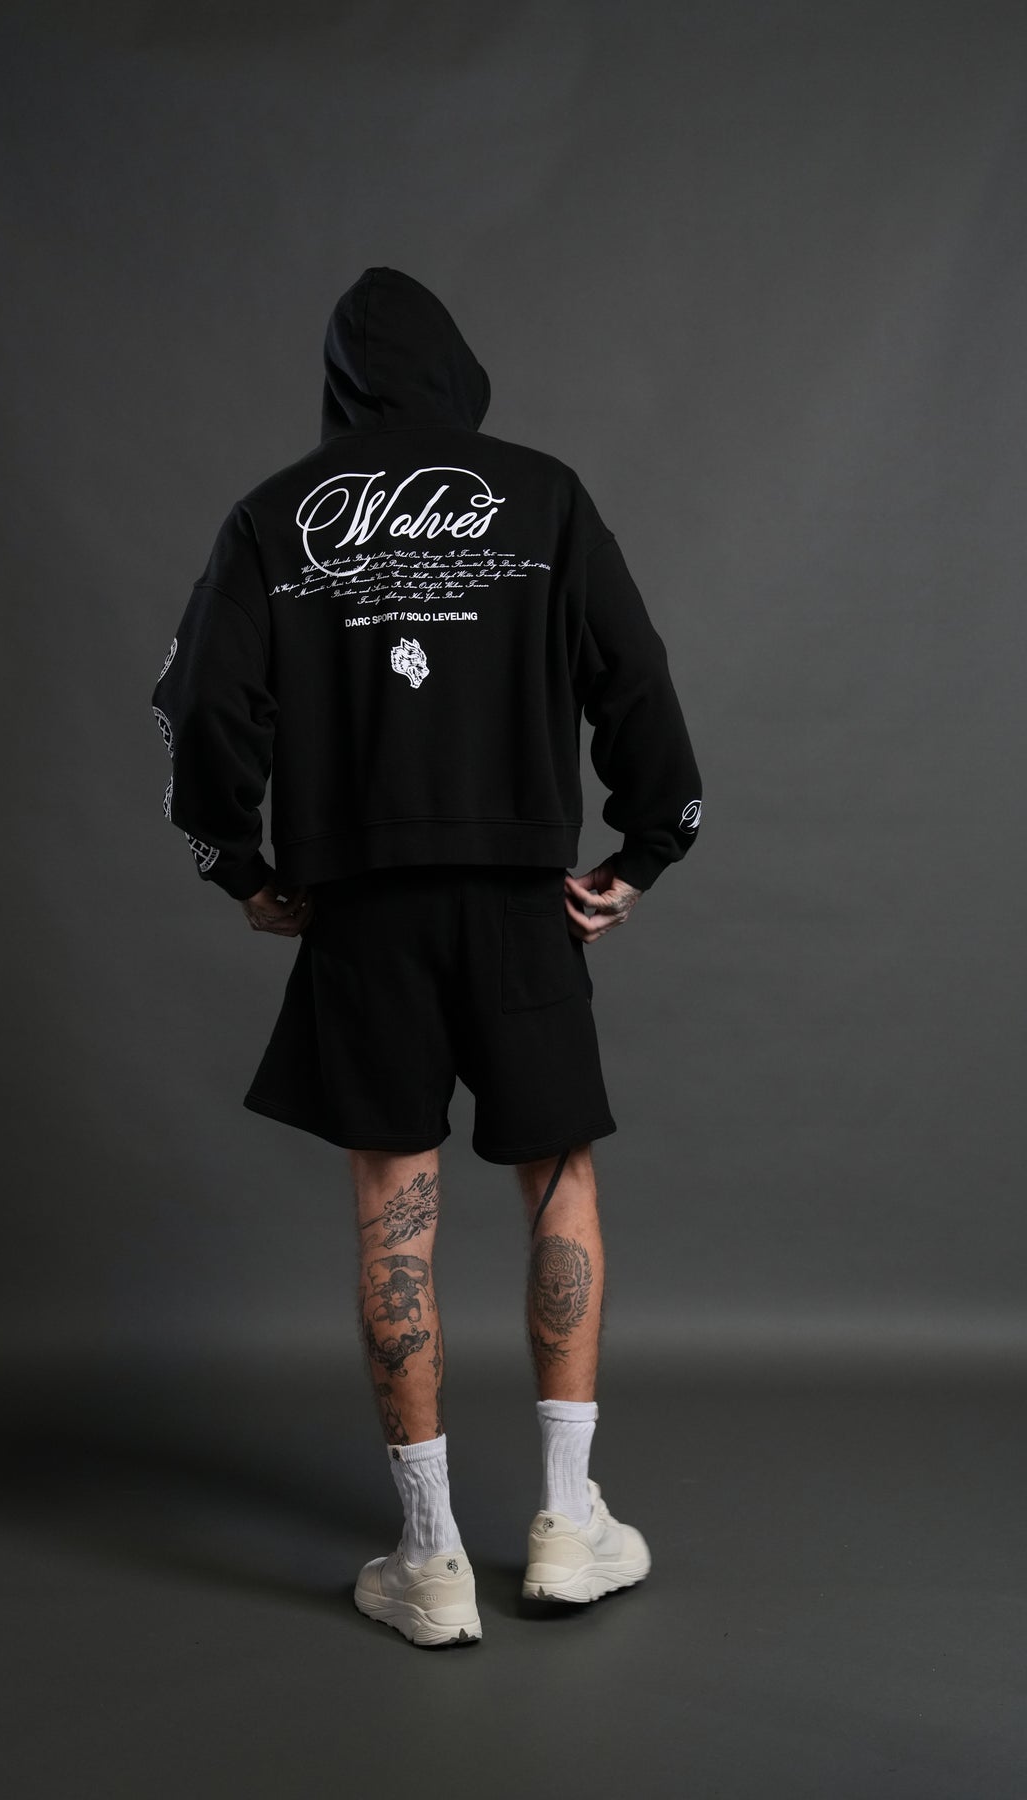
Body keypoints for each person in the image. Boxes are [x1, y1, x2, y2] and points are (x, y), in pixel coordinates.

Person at [150, 265, 702, 1648]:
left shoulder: (276, 514)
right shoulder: (544, 496)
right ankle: (567, 1527)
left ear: (340, 388)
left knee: (394, 1212)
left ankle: (431, 1556)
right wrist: (643, 851)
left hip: (365, 912)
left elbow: (206, 705)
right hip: (520, 902)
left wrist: (242, 867)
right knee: (558, 1180)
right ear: (460, 370)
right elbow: (636, 676)